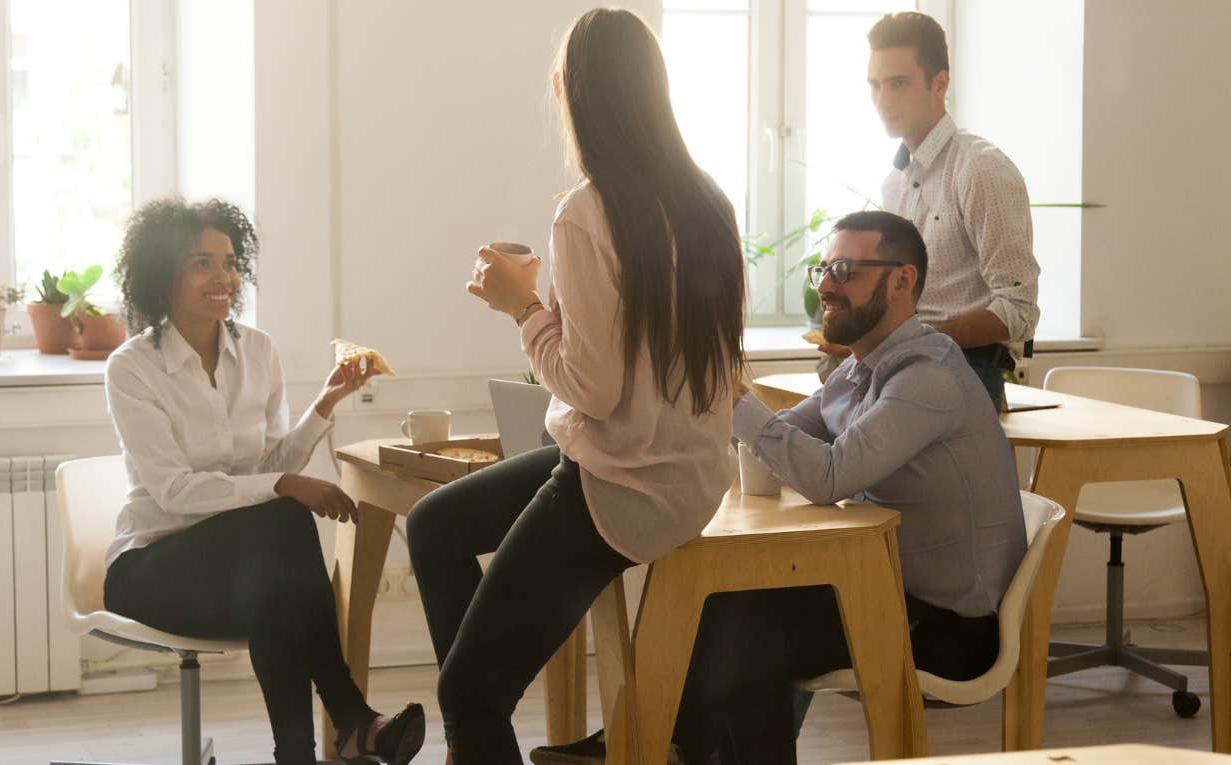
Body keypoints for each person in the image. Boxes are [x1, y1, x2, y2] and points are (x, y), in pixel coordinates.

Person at [404, 8, 746, 764]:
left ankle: (482, 693)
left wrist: (521, 306)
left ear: (573, 95)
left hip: (619, 482)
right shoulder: (710, 203)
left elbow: (590, 388)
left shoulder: (588, 212)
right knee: (434, 527)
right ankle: (491, 667)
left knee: (465, 694)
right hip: (691, 476)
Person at [672, 210, 1026, 764]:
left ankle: (666, 747)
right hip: (883, 589)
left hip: (950, 629)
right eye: (823, 269)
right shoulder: (861, 367)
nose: (827, 287)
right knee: (727, 601)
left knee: (748, 636)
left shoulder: (925, 376)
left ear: (903, 280)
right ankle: (676, 747)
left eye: (846, 269)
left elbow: (827, 475)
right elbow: (783, 439)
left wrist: (731, 397)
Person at [101, 197, 424, 765]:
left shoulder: (259, 351)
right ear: (160, 274)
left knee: (275, 586)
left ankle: (303, 750)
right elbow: (176, 491)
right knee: (283, 525)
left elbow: (273, 464)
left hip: (242, 571)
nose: (223, 276)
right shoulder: (132, 368)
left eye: (228, 261)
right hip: (153, 567)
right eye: (202, 262)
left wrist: (326, 403)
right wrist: (282, 488)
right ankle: (351, 721)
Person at [821, 12, 1041, 410]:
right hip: (903, 363)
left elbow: (1019, 310)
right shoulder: (895, 181)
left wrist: (920, 338)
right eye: (875, 85)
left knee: (828, 441)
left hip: (964, 367)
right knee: (809, 406)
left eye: (899, 83)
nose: (883, 99)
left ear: (940, 83)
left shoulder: (981, 170)